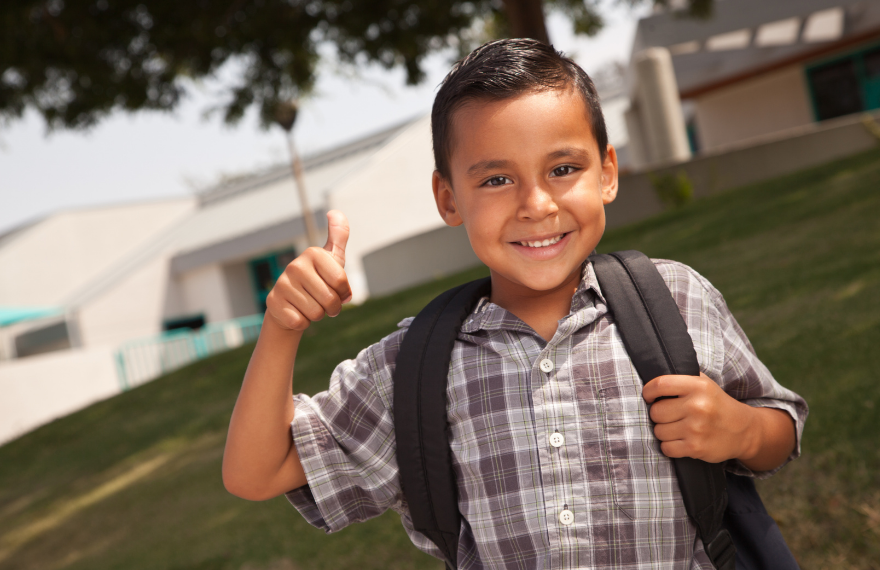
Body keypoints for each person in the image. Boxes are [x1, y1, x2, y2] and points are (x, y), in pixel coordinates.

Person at [222, 39, 808, 569]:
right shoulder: (412, 369)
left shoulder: (676, 299)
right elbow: (257, 472)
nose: (536, 205)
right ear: (448, 198)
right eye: (497, 180)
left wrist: (741, 431)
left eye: (562, 169)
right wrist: (282, 325)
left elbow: (779, 426)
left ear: (606, 172)